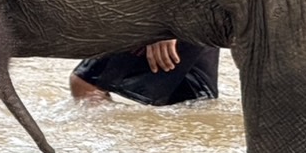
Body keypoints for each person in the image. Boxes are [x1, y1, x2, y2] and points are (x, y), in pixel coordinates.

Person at [69, 39, 220, 105]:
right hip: (188, 11)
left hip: (177, 12)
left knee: (86, 84)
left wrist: (166, 25)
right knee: (192, 100)